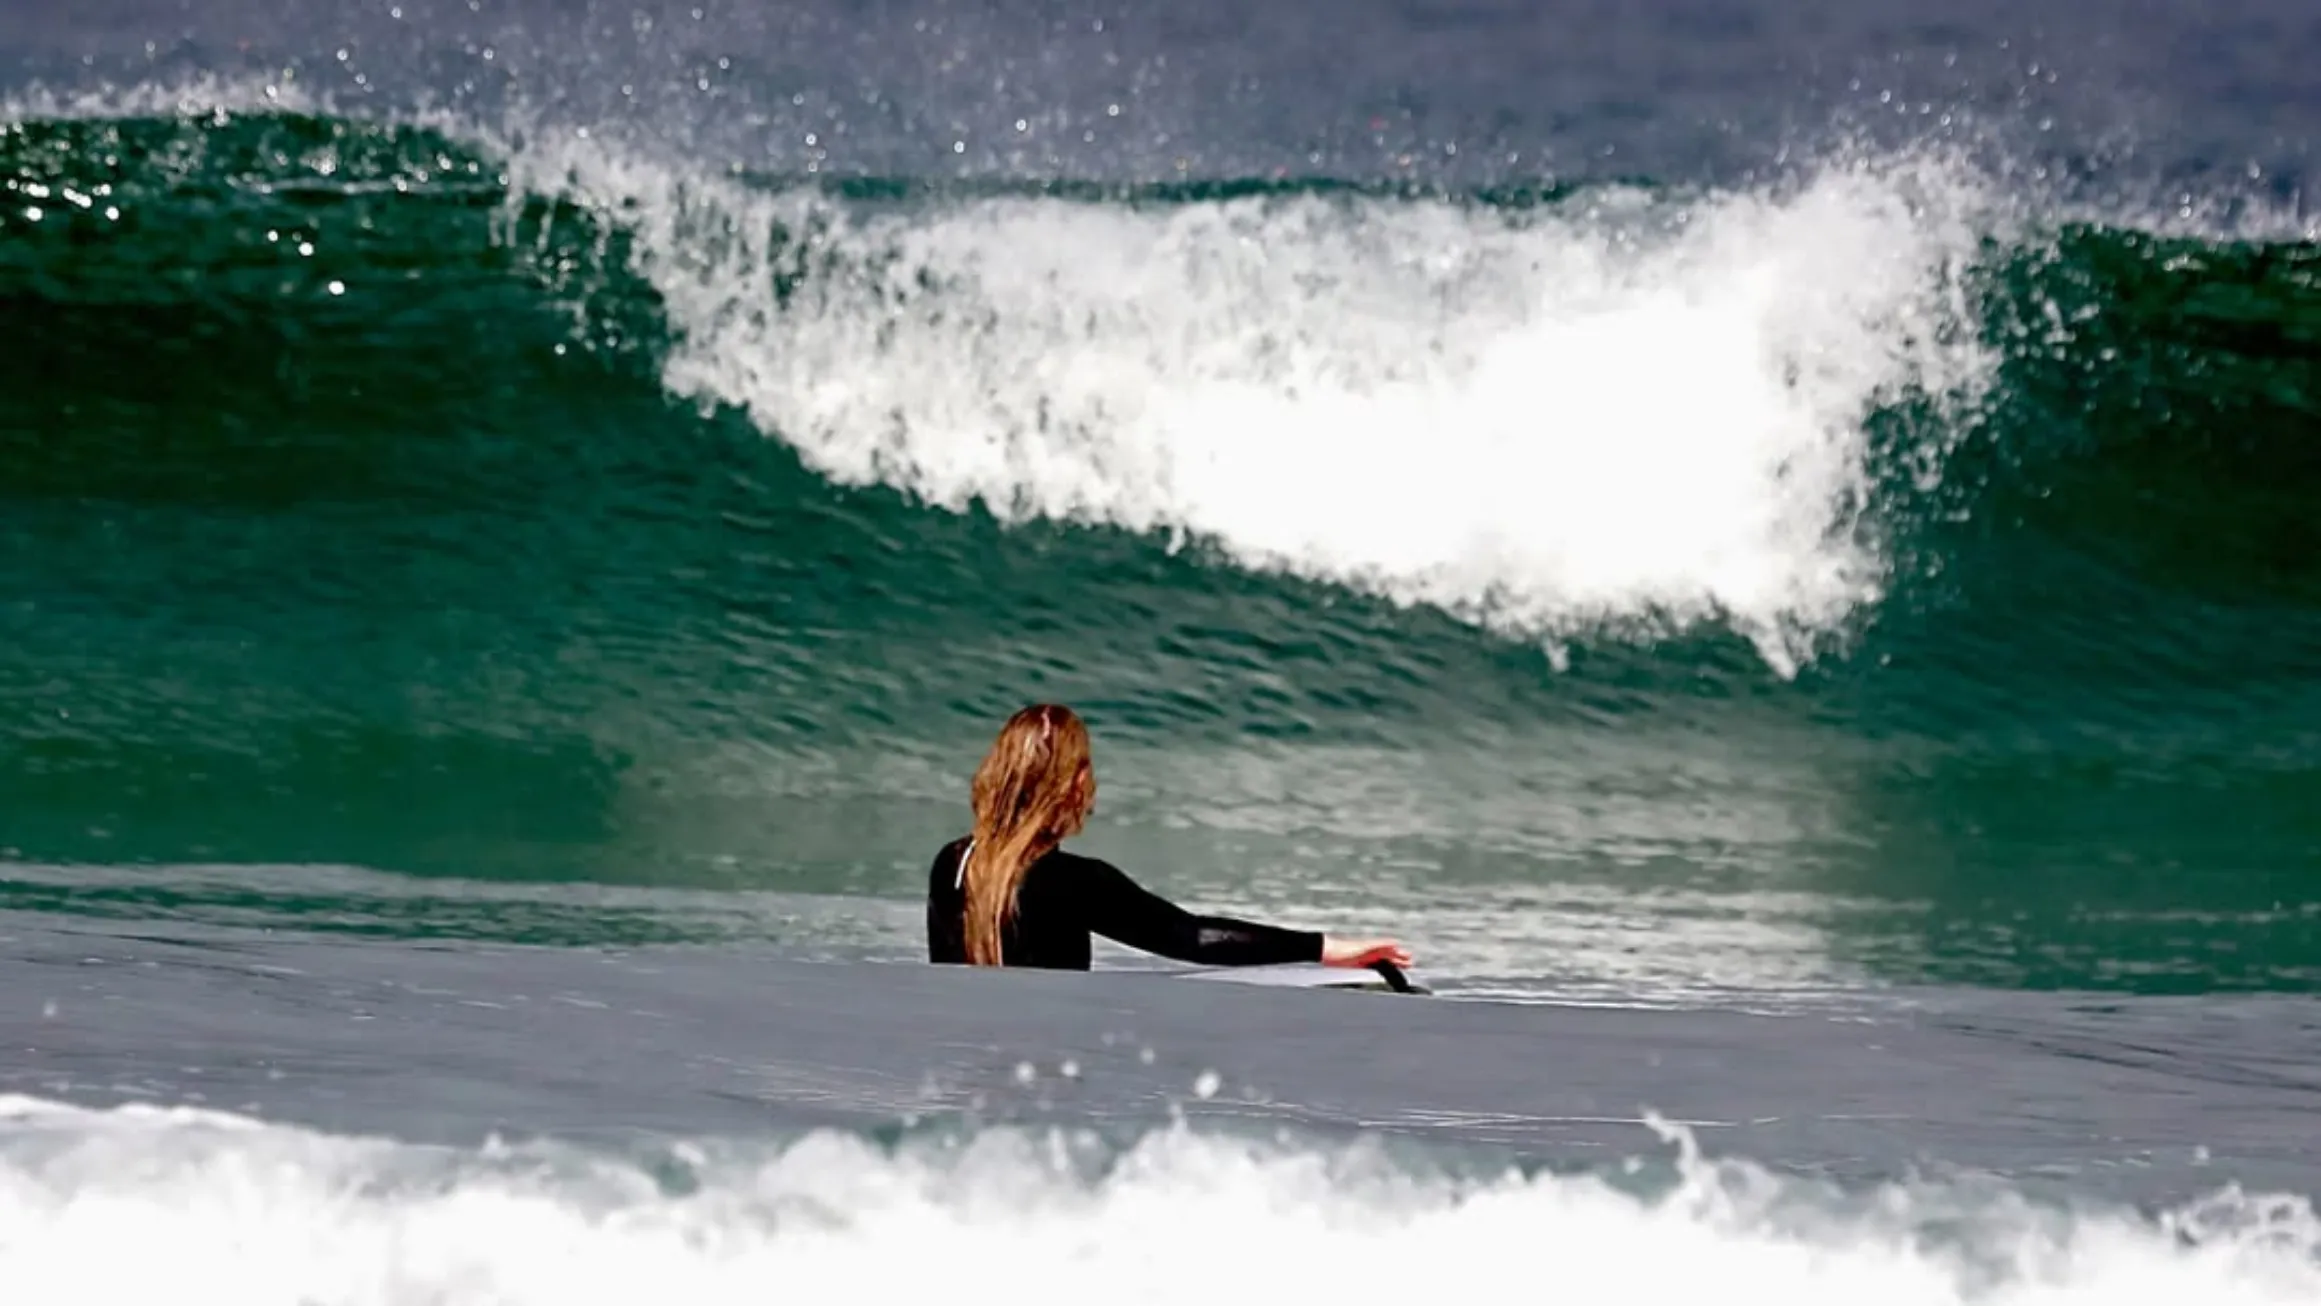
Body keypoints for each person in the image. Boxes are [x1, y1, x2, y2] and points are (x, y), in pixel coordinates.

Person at [926, 703, 1413, 973]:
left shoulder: (954, 863)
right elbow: (1192, 937)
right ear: (1072, 786)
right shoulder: (1072, 882)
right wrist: (1325, 947)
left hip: (968, 1081)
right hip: (1048, 1083)